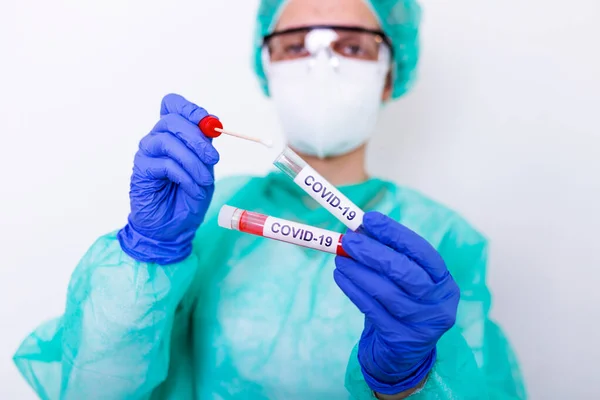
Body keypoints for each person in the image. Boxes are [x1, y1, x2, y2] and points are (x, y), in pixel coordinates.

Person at [13, 0, 527, 399]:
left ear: (391, 72)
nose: (320, 64)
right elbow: (94, 390)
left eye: (352, 47)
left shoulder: (441, 241)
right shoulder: (207, 216)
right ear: (267, 65)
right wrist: (148, 253)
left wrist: (414, 382)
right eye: (295, 45)